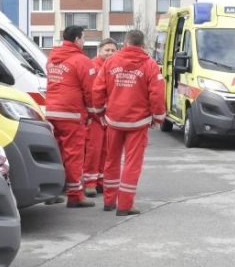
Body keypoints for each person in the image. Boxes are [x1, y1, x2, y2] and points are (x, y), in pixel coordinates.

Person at [92, 29, 165, 216]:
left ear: (125, 43)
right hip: (138, 122)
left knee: (111, 160)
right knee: (132, 164)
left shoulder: (110, 62)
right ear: (142, 44)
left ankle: (109, 201)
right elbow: (157, 94)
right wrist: (158, 117)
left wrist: (100, 112)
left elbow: (98, 89)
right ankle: (125, 205)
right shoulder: (150, 65)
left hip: (114, 119)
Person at [45, 25, 97, 207]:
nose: (84, 42)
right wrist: (91, 112)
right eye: (83, 38)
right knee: (74, 154)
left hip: (51, 111)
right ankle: (75, 194)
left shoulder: (53, 57)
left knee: (55, 154)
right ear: (76, 39)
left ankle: (52, 191)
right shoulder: (81, 60)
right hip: (71, 114)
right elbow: (90, 91)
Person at [83, 38, 118, 197]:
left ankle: (101, 182)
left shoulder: (116, 67)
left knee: (107, 151)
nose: (110, 53)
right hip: (95, 116)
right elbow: (89, 93)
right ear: (100, 51)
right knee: (93, 150)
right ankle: (89, 183)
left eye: (113, 50)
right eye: (107, 50)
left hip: (110, 116)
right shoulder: (92, 66)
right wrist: (92, 114)